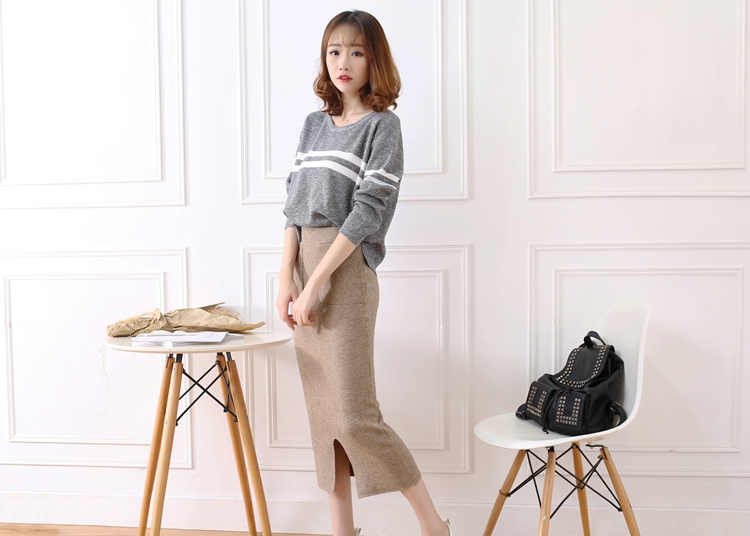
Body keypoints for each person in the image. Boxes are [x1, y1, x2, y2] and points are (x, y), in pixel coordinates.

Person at [275, 10, 456, 536]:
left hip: (346, 271)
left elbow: (366, 212)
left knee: (356, 415)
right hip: (303, 267)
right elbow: (292, 207)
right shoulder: (313, 125)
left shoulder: (383, 127)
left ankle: (433, 525)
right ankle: (343, 530)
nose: (344, 62)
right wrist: (286, 279)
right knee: (325, 416)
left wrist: (316, 283)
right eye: (334, 51)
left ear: (374, 60)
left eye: (356, 51)